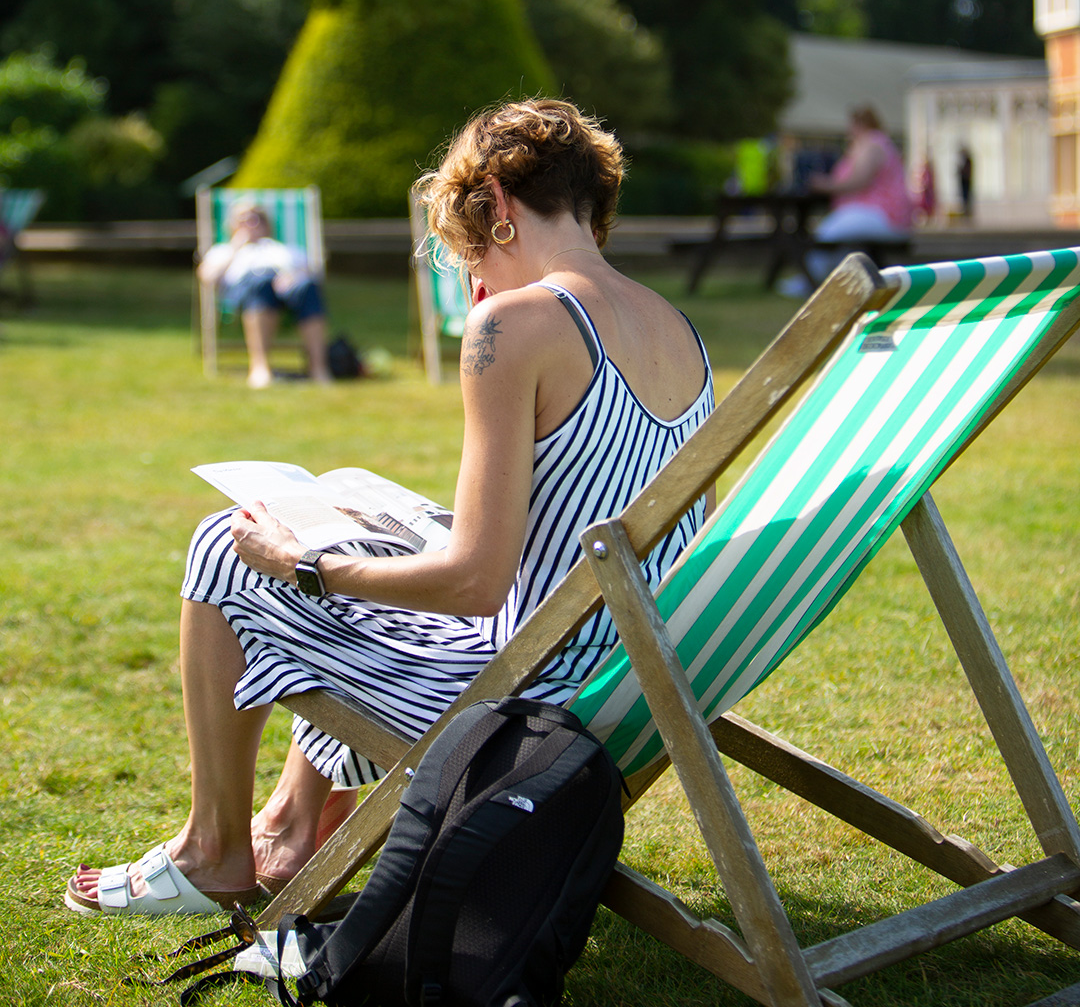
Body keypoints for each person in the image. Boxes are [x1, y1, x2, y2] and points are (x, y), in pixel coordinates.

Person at [65, 98, 716, 917]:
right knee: (358, 525)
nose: (474, 274)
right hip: (634, 677)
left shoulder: (515, 325)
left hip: (529, 699)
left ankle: (214, 852)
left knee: (229, 546)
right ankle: (295, 826)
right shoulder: (682, 331)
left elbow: (478, 583)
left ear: (501, 213)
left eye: (470, 246)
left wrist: (308, 565)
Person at [777, 105, 912, 298]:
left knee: (828, 232)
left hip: (885, 215)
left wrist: (824, 184)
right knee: (842, 242)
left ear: (858, 124)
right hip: (881, 215)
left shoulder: (872, 144)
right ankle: (826, 283)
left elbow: (859, 180)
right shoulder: (874, 143)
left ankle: (809, 280)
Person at [197, 201, 332, 389]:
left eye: (257, 219)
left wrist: (293, 275)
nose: (251, 224)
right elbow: (207, 277)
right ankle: (260, 368)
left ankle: (318, 367)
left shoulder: (282, 248)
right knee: (261, 284)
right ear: (232, 225)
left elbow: (313, 272)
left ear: (267, 224)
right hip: (246, 292)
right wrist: (236, 246)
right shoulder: (223, 250)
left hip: (286, 290)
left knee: (308, 287)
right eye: (243, 220)